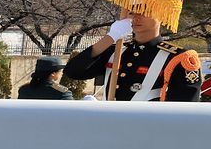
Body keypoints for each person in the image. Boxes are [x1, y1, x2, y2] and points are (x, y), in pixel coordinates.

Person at [64, 11, 202, 102]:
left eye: (144, 12)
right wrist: (110, 37)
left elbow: (184, 106)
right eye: (131, 12)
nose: (136, 17)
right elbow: (73, 72)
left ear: (162, 15)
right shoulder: (117, 51)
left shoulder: (178, 58)